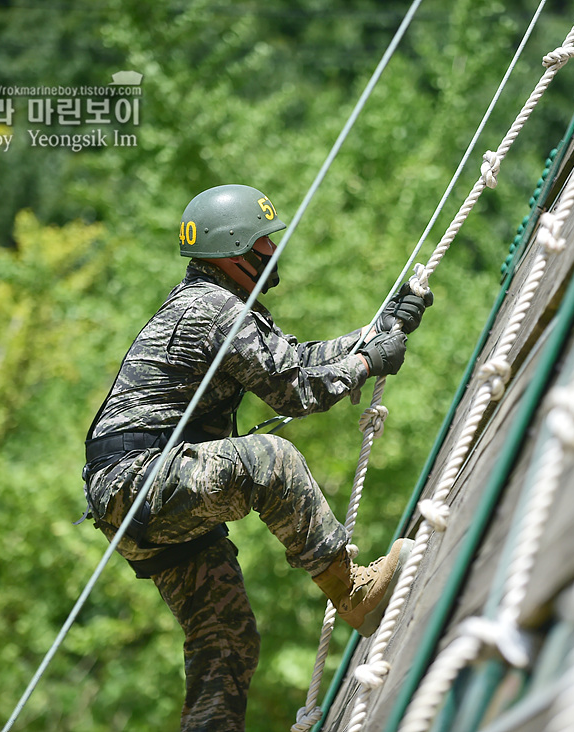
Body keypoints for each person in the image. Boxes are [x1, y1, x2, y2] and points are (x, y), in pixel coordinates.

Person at [80, 184, 432, 731]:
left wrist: (377, 332)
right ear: (234, 251)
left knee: (225, 638)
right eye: (263, 242)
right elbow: (293, 389)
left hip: (132, 496)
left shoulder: (218, 301)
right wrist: (366, 364)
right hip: (140, 481)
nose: (273, 251)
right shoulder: (212, 307)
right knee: (270, 459)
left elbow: (293, 360)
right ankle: (352, 590)